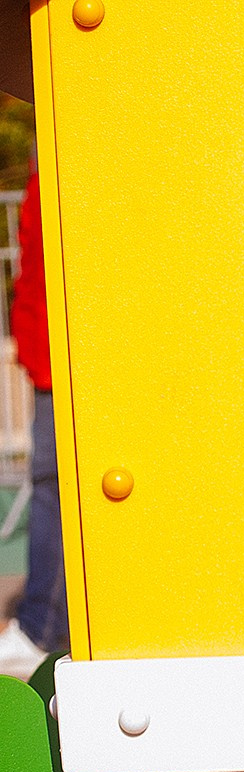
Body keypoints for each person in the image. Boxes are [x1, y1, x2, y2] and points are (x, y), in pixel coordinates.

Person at [0, 169, 62, 680]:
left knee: (55, 486)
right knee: (51, 485)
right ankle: (43, 625)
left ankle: (42, 630)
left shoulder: (64, 162)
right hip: (50, 346)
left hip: (61, 349)